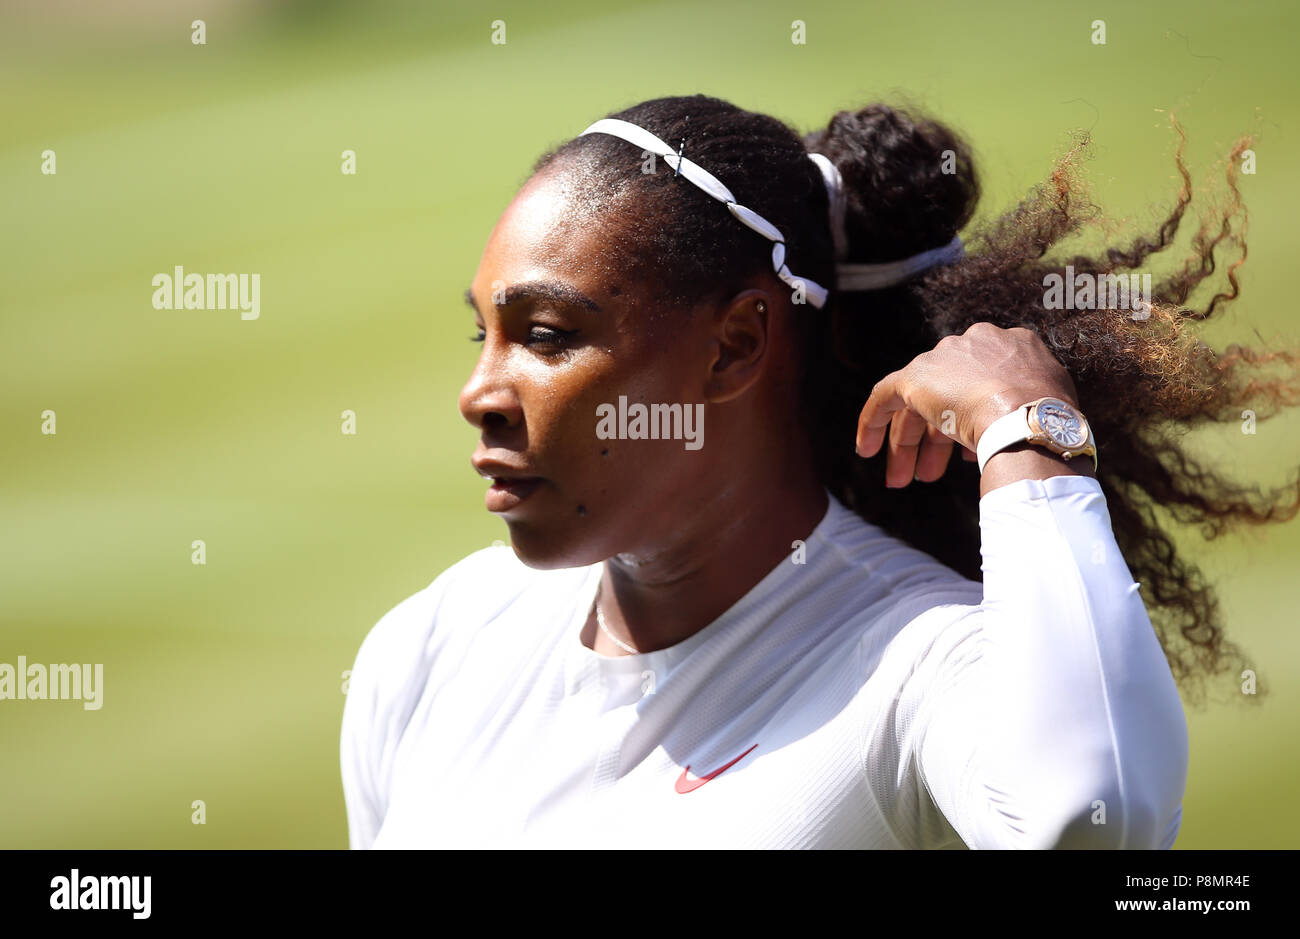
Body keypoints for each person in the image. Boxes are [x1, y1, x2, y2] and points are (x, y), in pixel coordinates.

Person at [341, 94, 1300, 849]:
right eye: (485, 333)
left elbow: (1096, 823)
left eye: (546, 335)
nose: (480, 392)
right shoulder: (429, 649)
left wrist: (1026, 433)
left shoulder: (915, 664)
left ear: (736, 345)